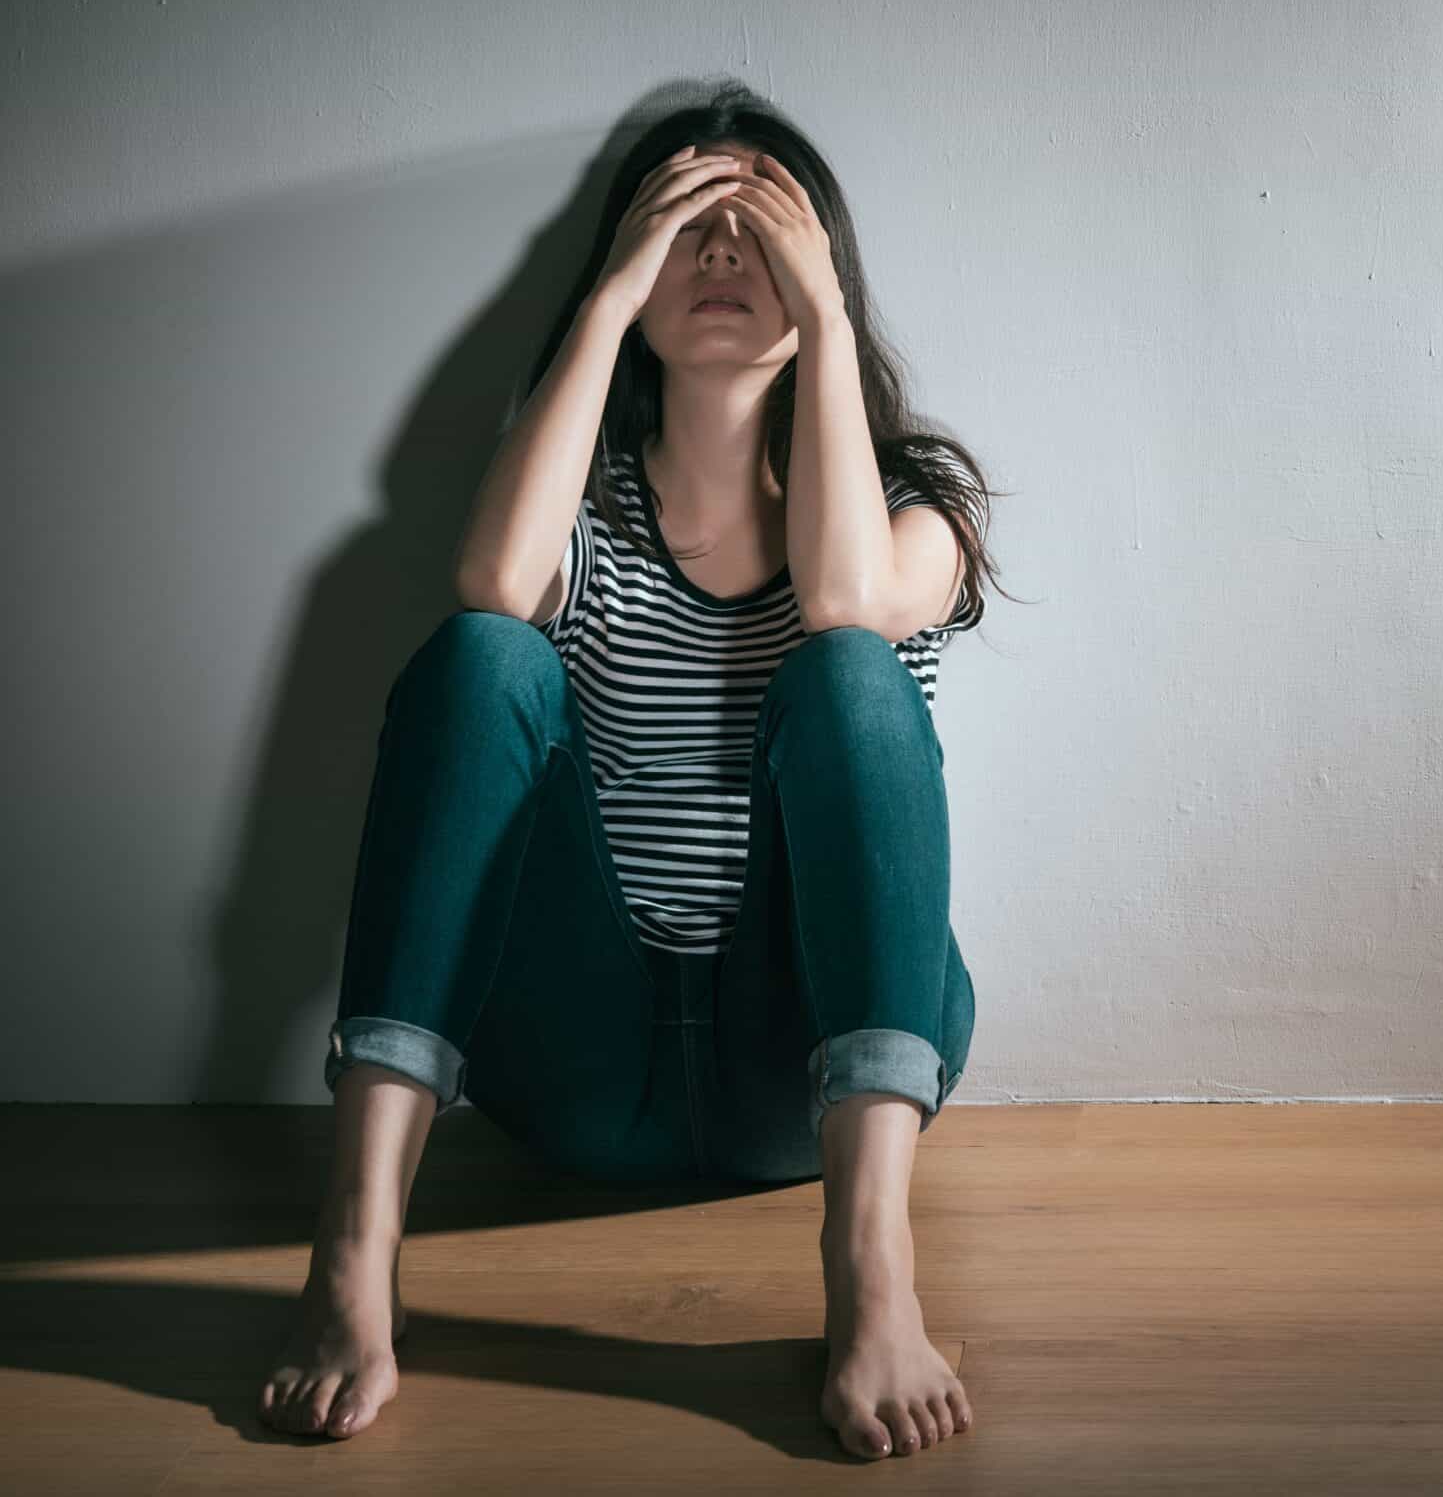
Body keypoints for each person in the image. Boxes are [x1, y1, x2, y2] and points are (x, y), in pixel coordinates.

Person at [256, 82, 1012, 1462]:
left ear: (817, 269)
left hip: (806, 1071)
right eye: (686, 229)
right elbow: (491, 580)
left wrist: (830, 320)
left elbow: (843, 602)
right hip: (585, 1066)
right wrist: (605, 306)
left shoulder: (916, 521)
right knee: (486, 653)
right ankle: (356, 1257)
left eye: (757, 232)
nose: (722, 256)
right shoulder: (583, 507)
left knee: (846, 670)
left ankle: (874, 1272)